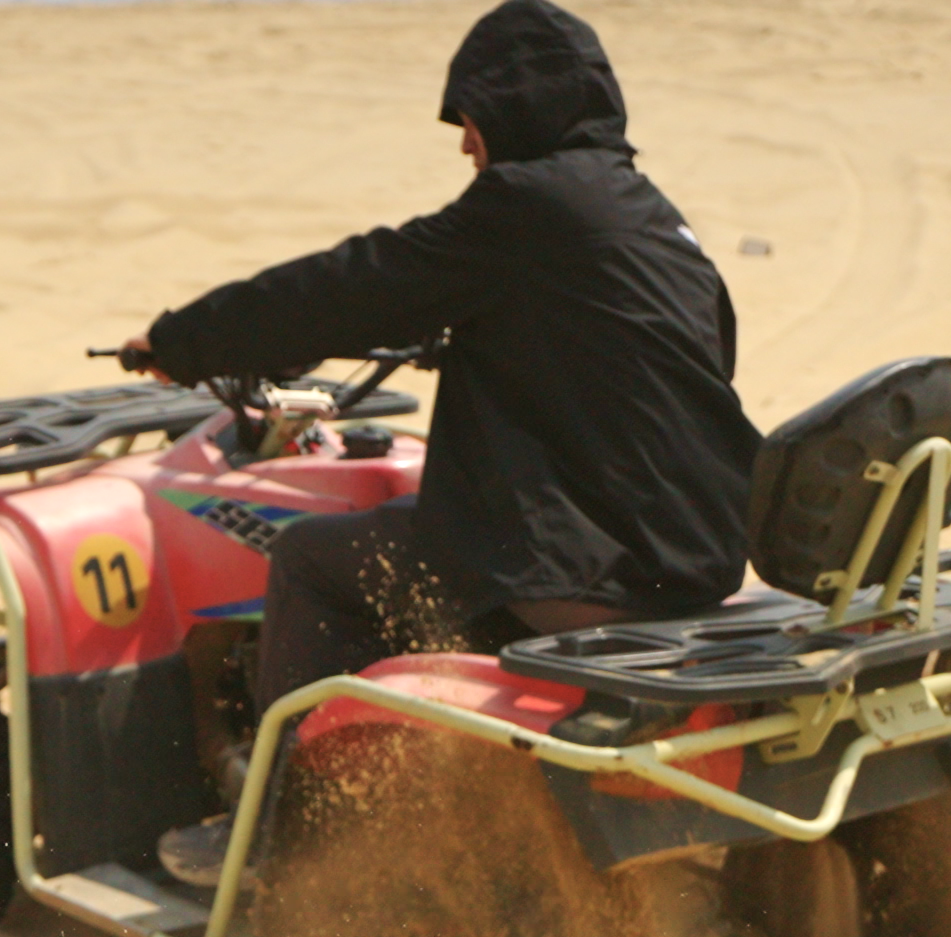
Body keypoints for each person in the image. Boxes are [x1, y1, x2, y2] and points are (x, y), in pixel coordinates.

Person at [125, 0, 761, 886]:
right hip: (692, 559)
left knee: (311, 561)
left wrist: (185, 340)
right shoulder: (651, 218)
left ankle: (278, 831)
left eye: (472, 119)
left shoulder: (523, 207)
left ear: (518, 108)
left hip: (587, 574)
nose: (466, 144)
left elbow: (352, 285)